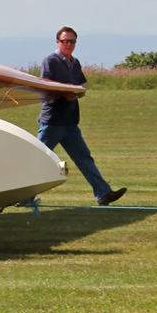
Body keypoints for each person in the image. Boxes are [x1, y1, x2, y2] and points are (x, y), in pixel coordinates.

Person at [37, 27, 126, 206]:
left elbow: (80, 85)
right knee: (38, 159)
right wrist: (64, 94)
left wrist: (79, 93)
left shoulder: (75, 63)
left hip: (70, 122)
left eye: (72, 41)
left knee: (84, 158)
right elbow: (44, 87)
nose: (68, 44)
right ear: (57, 42)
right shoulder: (50, 61)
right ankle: (24, 198)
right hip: (52, 122)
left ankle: (103, 194)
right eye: (64, 41)